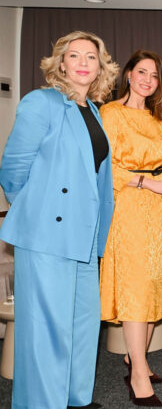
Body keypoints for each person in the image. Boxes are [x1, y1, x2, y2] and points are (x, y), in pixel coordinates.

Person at [0, 31, 116, 408]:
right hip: (46, 235)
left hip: (83, 235)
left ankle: (75, 398)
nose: (83, 62)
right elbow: (13, 169)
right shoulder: (42, 102)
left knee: (83, 324)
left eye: (91, 56)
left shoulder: (93, 110)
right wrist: (37, 211)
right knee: (46, 329)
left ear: (100, 67)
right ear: (61, 63)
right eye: (74, 55)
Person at [99, 50, 162, 405]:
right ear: (129, 75)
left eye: (154, 75)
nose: (148, 80)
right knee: (136, 287)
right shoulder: (111, 113)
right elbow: (104, 168)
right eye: (142, 72)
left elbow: (160, 163)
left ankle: (136, 359)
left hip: (160, 209)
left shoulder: (157, 117)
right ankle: (137, 373)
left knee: (153, 285)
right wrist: (146, 182)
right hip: (130, 208)